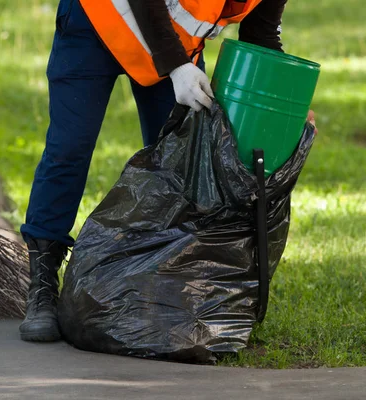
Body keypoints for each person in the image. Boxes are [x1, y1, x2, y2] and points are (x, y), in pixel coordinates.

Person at [18, 0, 291, 342]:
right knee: (69, 150)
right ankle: (42, 286)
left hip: (170, 41)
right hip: (96, 22)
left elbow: (260, 35)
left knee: (181, 161)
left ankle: (166, 292)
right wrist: (177, 66)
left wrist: (288, 103)